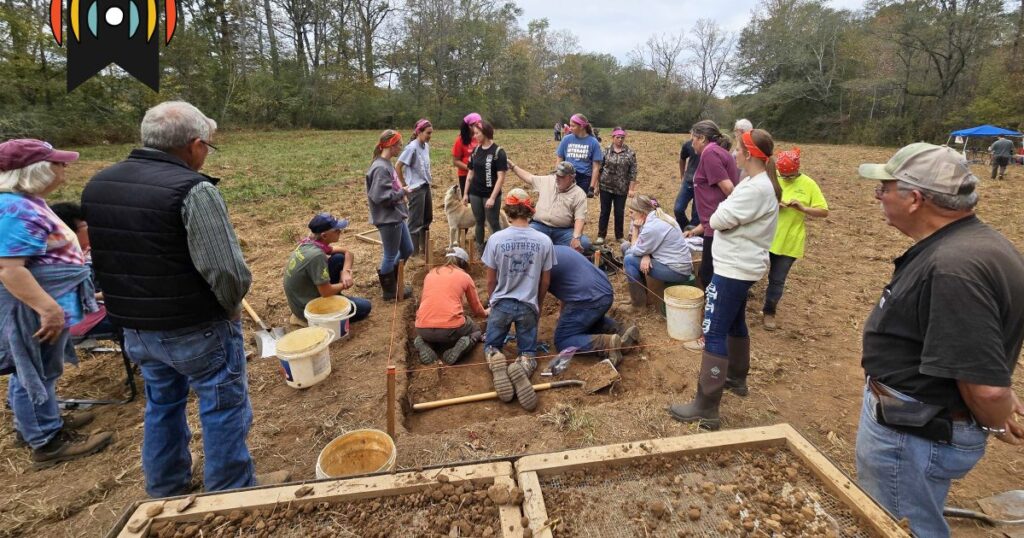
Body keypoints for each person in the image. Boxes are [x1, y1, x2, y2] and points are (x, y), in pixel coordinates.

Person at [81, 101, 289, 496]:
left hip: (137, 329)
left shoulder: (99, 184)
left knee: (162, 405)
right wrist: (229, 309)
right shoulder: (194, 191)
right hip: (195, 327)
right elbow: (227, 272)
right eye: (208, 145)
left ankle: (166, 487)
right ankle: (230, 491)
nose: (207, 152)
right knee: (223, 407)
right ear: (194, 145)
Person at [854, 143, 1024, 538]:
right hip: (919, 425)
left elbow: (984, 387)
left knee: (901, 526)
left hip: (913, 435)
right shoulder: (976, 246)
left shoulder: (954, 269)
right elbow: (979, 348)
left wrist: (996, 416)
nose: (878, 196)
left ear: (914, 199)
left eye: (884, 187)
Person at [0, 139, 113, 465]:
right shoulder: (15, 209)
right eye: (57, 164)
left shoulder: (25, 201)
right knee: (32, 369)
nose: (64, 170)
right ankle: (46, 440)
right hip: (33, 308)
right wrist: (47, 309)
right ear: (35, 171)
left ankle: (38, 422)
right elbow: (9, 268)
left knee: (36, 369)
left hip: (46, 302)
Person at [668, 128, 781, 430]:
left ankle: (706, 405)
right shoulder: (757, 184)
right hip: (742, 266)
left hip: (733, 268)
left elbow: (717, 220)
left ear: (750, 155)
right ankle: (736, 377)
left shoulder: (753, 189)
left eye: (739, 150)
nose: (734, 154)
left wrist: (720, 216)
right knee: (734, 321)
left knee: (714, 329)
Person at [482, 188, 555, 412]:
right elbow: (545, 282)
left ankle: (496, 358)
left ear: (509, 210)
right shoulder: (544, 241)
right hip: (527, 305)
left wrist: (492, 301)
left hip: (501, 303)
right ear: (529, 210)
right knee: (528, 352)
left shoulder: (495, 239)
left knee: (491, 345)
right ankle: (522, 367)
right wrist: (538, 305)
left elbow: (490, 281)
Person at [762, 148, 829, 331]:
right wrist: (775, 204)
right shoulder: (772, 177)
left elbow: (823, 211)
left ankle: (769, 312)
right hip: (765, 237)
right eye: (783, 175)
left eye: (789, 176)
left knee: (777, 279)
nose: (785, 178)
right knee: (751, 272)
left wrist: (803, 208)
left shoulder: (809, 184)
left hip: (789, 241)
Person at [548, 245, 639, 366]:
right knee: (584, 323)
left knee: (562, 341)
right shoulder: (558, 249)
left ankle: (606, 343)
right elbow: (568, 287)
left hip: (588, 298)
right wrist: (563, 314)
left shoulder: (538, 261)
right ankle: (620, 329)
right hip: (605, 291)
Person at [283, 213, 372, 327]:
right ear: (324, 235)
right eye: (337, 230)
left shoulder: (309, 243)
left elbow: (347, 253)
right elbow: (326, 292)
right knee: (365, 307)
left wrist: (346, 272)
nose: (340, 231)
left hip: (301, 297)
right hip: (306, 308)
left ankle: (337, 297)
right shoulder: (317, 256)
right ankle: (306, 320)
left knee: (339, 258)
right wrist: (344, 284)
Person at [685, 120, 741, 289]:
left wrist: (729, 218)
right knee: (712, 271)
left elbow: (729, 189)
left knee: (709, 274)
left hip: (718, 227)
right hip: (713, 225)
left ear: (702, 138)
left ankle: (715, 310)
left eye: (692, 138)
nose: (691, 142)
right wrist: (696, 230)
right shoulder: (716, 152)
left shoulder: (710, 153)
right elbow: (714, 198)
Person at [49, 202, 116, 342]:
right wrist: (105, 295)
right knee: (140, 317)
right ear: (67, 231)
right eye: (84, 226)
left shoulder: (85, 250)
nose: (89, 229)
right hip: (82, 319)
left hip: (100, 309)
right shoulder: (62, 262)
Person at [413, 247, 488, 366]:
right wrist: (487, 312)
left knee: (432, 334)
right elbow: (477, 310)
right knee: (476, 330)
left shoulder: (431, 274)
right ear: (463, 263)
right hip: (450, 329)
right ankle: (466, 343)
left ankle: (423, 342)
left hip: (422, 327)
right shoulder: (464, 276)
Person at [620, 195, 694, 311]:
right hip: (673, 263)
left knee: (629, 259)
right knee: (625, 247)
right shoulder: (658, 217)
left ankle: (638, 305)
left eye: (631, 212)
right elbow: (644, 246)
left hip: (677, 270)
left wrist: (635, 228)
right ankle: (641, 296)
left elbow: (635, 249)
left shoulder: (652, 227)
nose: (629, 215)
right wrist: (645, 254)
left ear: (642, 213)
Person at [366, 129, 413, 301]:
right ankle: (389, 291)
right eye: (399, 145)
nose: (401, 148)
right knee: (390, 254)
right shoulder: (380, 168)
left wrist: (401, 193)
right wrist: (402, 192)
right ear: (391, 146)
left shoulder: (386, 163)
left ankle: (393, 280)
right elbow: (380, 198)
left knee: (408, 249)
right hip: (388, 218)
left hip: (397, 215)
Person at [507, 160, 591, 252]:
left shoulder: (579, 194)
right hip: (539, 226)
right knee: (521, 236)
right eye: (556, 175)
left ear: (572, 177)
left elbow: (580, 218)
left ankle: (546, 247)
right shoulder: (548, 180)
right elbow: (528, 177)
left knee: (584, 243)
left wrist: (576, 237)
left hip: (563, 232)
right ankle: (555, 248)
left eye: (561, 176)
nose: (557, 178)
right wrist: (513, 167)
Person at [461, 120, 507, 255]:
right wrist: (465, 194)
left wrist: (492, 198)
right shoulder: (475, 151)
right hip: (475, 193)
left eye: (477, 133)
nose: (474, 136)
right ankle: (480, 250)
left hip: (490, 194)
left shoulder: (498, 152)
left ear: (485, 133)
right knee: (479, 222)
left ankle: (499, 250)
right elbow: (470, 173)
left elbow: (501, 178)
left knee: (493, 222)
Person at [396, 119, 434, 260]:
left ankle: (425, 249)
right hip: (415, 188)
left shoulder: (426, 146)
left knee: (427, 218)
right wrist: (404, 185)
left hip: (425, 185)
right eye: (428, 133)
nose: (430, 136)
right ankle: (414, 253)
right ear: (419, 132)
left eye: (431, 133)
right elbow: (398, 166)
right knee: (415, 222)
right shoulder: (412, 148)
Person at [596, 127, 637, 245]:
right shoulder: (606, 150)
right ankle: (601, 235)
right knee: (604, 211)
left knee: (619, 212)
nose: (620, 140)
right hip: (605, 187)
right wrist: (598, 186)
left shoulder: (630, 153)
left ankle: (619, 236)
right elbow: (600, 168)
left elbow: (633, 172)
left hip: (621, 189)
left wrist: (631, 189)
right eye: (617, 137)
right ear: (613, 137)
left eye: (622, 138)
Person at [555, 113, 603, 195]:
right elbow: (559, 159)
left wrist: (592, 187)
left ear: (581, 126)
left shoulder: (593, 142)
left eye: (573, 126)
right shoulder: (566, 139)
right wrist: (557, 176)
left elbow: (596, 167)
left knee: (578, 205)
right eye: (570, 125)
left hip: (584, 179)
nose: (570, 128)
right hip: (566, 175)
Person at [674, 138, 701, 229]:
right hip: (688, 182)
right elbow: (682, 158)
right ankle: (686, 229)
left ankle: (693, 234)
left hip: (702, 184)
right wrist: (682, 175)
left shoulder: (709, 146)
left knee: (696, 214)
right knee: (678, 209)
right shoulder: (688, 144)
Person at [452, 113, 481, 196]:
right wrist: (470, 169)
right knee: (469, 201)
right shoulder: (460, 141)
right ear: (469, 126)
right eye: (476, 125)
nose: (479, 127)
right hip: (465, 176)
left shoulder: (480, 137)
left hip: (481, 175)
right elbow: (455, 161)